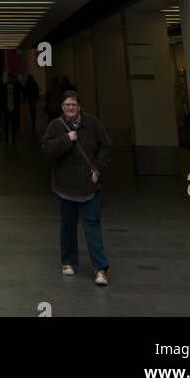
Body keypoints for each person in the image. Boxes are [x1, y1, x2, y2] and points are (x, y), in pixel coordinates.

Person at [41, 89, 112, 285]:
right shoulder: (56, 126)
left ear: (79, 106)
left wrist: (97, 167)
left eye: (73, 104)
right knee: (68, 225)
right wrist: (67, 139)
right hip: (66, 185)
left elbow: (106, 146)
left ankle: (100, 268)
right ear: (62, 107)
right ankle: (68, 261)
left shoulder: (92, 124)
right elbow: (47, 149)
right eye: (66, 105)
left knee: (92, 226)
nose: (70, 108)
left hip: (89, 184)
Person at [1, 72, 23, 143]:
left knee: (13, 124)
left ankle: (13, 138)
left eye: (11, 78)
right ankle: (7, 137)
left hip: (14, 107)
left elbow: (20, 94)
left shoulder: (16, 86)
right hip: (7, 107)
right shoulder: (4, 86)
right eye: (9, 78)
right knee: (6, 124)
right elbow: (2, 96)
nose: (10, 79)